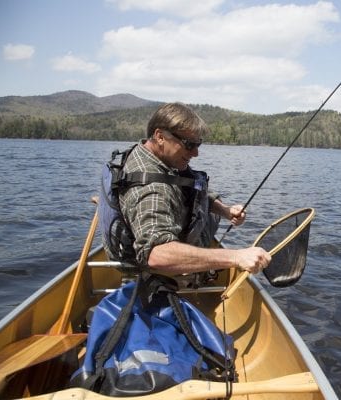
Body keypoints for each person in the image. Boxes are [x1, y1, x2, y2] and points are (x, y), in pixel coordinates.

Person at [116, 102, 270, 277]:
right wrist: (236, 256)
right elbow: (156, 253)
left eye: (199, 144)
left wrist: (225, 210)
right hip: (155, 276)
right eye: (189, 144)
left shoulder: (157, 157)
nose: (196, 153)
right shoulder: (151, 187)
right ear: (160, 136)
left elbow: (191, 186)